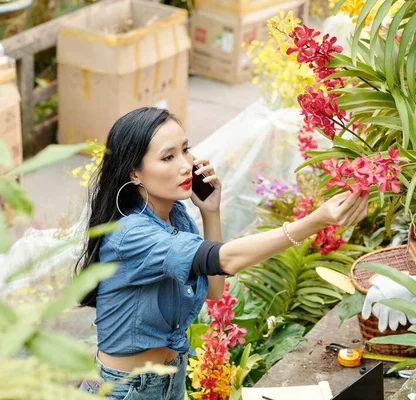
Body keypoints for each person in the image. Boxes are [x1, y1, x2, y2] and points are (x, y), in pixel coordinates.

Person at [76, 107, 368, 399]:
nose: (185, 165)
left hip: (169, 380)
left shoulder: (174, 216)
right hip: (126, 390)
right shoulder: (132, 234)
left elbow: (214, 289)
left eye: (186, 150)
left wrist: (210, 211)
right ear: (134, 172)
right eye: (168, 157)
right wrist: (316, 220)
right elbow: (225, 259)